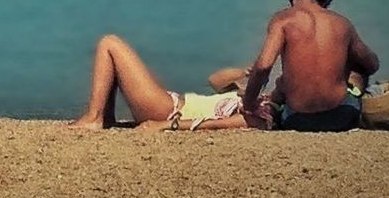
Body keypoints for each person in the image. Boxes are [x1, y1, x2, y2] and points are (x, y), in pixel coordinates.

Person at [242, 0, 379, 133]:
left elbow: (263, 65)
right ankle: (350, 91)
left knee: (284, 82)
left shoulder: (283, 20)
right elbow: (372, 64)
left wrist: (249, 103)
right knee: (359, 69)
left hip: (297, 120)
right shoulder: (342, 23)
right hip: (343, 116)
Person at [69, 34, 276, 132]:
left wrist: (166, 125)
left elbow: (216, 124)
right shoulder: (253, 98)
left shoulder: (262, 116)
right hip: (172, 102)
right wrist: (246, 72)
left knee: (110, 44)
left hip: (168, 111)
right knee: (117, 57)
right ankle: (106, 117)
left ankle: (94, 117)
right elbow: (214, 80)